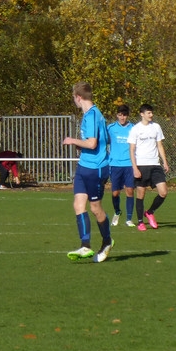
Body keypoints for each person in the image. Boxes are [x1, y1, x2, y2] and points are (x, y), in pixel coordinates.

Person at [62, 82, 113, 262]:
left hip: (96, 169)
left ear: (78, 97)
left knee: (95, 208)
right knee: (78, 204)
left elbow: (92, 143)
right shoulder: (89, 115)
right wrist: (80, 147)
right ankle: (85, 245)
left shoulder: (93, 115)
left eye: (74, 98)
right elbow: (98, 142)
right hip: (84, 166)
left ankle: (107, 240)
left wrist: (72, 141)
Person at [128, 103, 169, 231]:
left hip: (155, 165)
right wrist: (135, 168)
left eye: (151, 113)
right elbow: (132, 149)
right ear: (142, 114)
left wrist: (165, 162)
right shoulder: (135, 129)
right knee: (141, 193)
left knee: (163, 192)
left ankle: (150, 212)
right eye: (148, 113)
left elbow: (160, 145)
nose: (151, 115)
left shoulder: (156, 127)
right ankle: (140, 221)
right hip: (141, 165)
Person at [106, 105, 136, 227]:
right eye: (120, 115)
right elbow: (104, 142)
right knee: (115, 193)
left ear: (127, 115)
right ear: (117, 115)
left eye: (124, 115)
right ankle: (117, 212)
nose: (122, 117)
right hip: (115, 164)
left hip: (129, 164)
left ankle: (129, 219)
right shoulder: (111, 128)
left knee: (129, 191)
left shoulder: (134, 128)